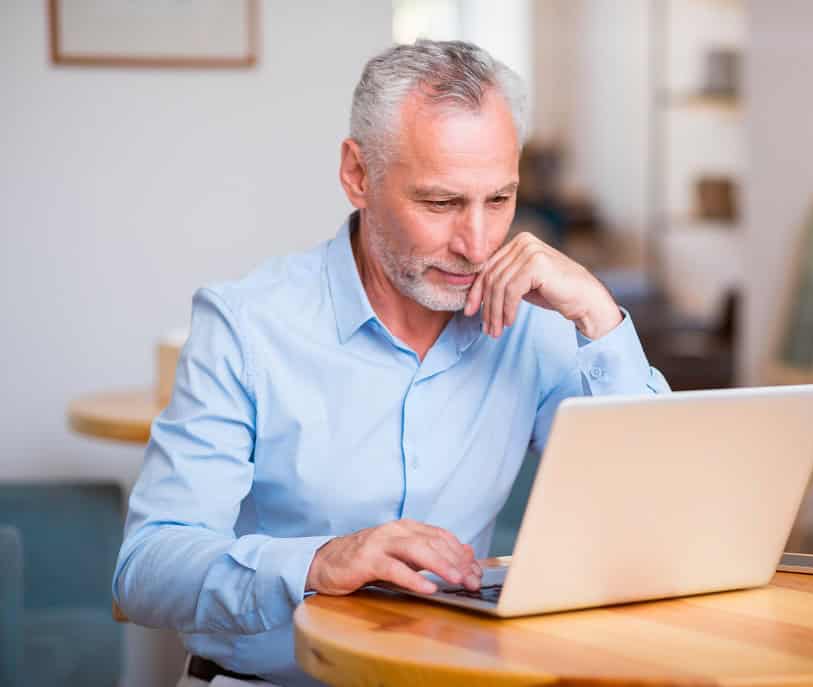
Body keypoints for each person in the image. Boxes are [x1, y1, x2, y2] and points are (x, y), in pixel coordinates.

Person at [113, 39, 669, 687]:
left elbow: (650, 515)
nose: (478, 243)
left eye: (499, 199)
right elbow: (147, 567)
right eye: (440, 203)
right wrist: (319, 561)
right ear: (357, 175)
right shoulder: (246, 325)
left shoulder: (533, 322)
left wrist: (598, 315)